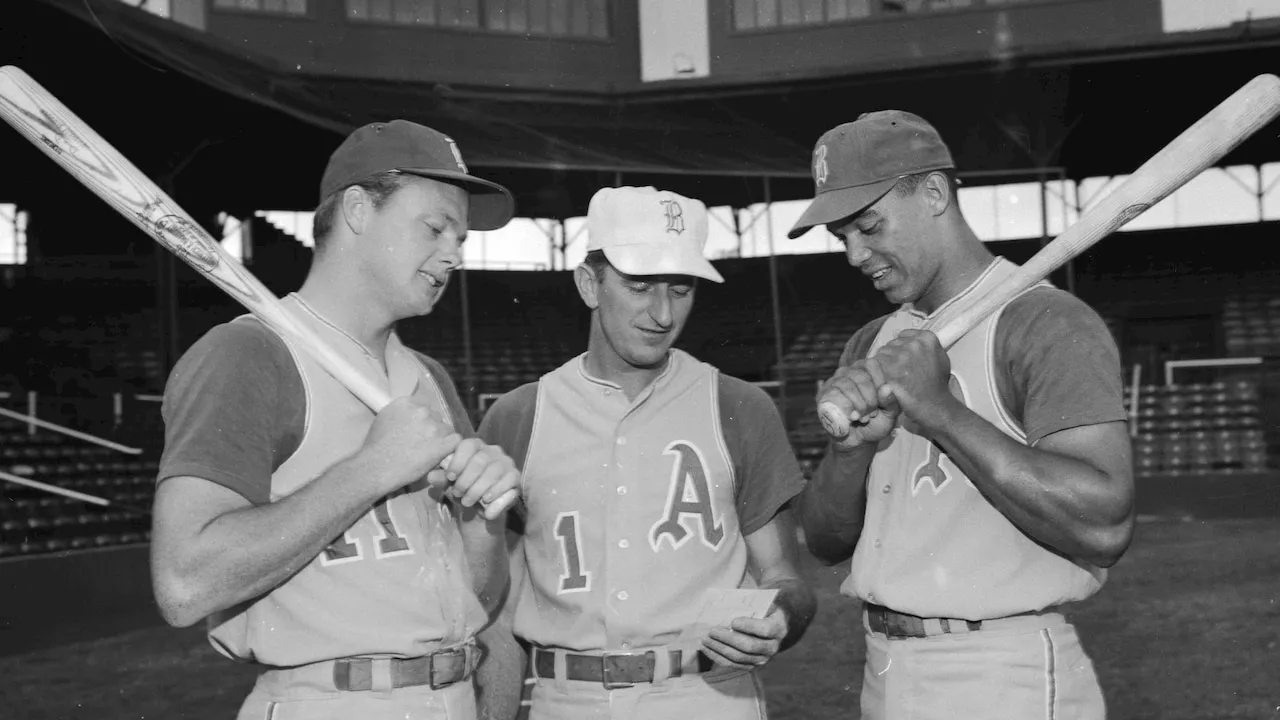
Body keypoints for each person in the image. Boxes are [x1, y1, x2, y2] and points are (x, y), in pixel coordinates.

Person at [150, 119, 522, 720]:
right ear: (356, 209)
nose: (455, 254)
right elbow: (184, 583)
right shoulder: (249, 355)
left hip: (452, 697)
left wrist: (483, 521)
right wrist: (371, 469)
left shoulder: (429, 378)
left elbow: (479, 600)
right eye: (435, 228)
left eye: (462, 238)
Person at [788, 111, 1135, 719]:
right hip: (884, 667)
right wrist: (852, 452)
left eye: (868, 226)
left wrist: (939, 410)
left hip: (1003, 669)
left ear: (934, 192)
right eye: (841, 236)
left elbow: (1104, 525)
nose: (854, 254)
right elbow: (823, 542)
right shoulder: (873, 342)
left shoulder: (1046, 323)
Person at [474, 186, 817, 720]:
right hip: (568, 699)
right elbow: (500, 605)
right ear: (590, 284)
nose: (662, 314)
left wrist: (779, 618)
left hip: (707, 695)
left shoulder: (739, 406)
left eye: (681, 290)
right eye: (638, 286)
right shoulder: (518, 417)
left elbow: (784, 578)